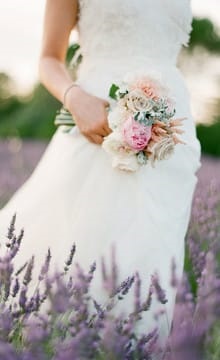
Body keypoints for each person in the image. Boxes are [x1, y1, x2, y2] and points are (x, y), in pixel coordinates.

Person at [0, 0, 201, 344]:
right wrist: (74, 97)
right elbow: (49, 58)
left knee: (149, 265)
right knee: (77, 249)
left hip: (170, 138)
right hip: (93, 121)